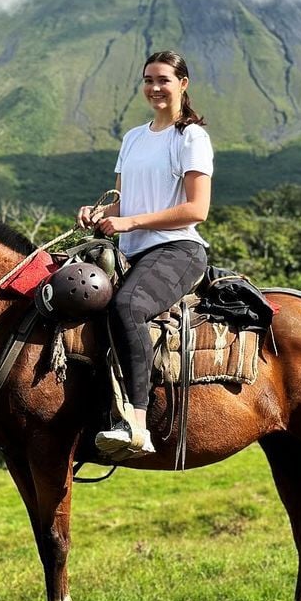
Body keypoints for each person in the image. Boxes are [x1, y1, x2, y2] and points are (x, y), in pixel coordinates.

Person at [76, 50, 213, 459]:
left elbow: (197, 209)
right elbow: (123, 203)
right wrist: (99, 213)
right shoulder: (133, 137)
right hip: (131, 251)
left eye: (164, 80)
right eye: (148, 80)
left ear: (183, 84)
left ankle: (136, 423)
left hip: (178, 249)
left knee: (126, 307)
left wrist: (130, 224)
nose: (155, 88)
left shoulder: (191, 138)